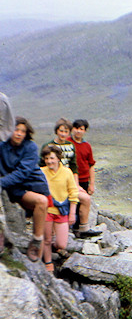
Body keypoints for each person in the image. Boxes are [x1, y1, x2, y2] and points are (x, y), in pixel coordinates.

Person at [0, 116, 50, 261]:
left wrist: (1, 183)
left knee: (42, 203)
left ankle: (36, 242)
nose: (19, 133)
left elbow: (23, 173)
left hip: (33, 185)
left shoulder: (30, 147)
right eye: (16, 129)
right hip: (14, 188)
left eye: (23, 131)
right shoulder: (2, 146)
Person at [42, 118, 100, 238]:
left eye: (66, 131)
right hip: (53, 184)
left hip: (69, 182)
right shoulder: (48, 146)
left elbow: (74, 168)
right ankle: (53, 234)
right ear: (56, 131)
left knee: (85, 199)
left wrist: (76, 185)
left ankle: (83, 228)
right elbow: (41, 167)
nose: (63, 134)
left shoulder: (70, 146)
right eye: (61, 131)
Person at [40, 144, 79, 272]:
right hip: (46, 211)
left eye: (51, 158)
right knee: (46, 238)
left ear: (58, 158)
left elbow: (73, 193)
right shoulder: (41, 172)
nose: (49, 161)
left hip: (62, 211)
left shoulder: (67, 172)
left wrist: (72, 213)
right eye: (46, 158)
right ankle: (48, 261)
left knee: (61, 244)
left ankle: (50, 248)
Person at [70, 119, 96, 194]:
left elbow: (91, 165)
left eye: (81, 129)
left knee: (83, 202)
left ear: (84, 131)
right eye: (76, 128)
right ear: (72, 129)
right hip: (70, 179)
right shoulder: (67, 143)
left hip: (84, 180)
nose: (78, 131)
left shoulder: (87, 146)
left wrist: (91, 184)